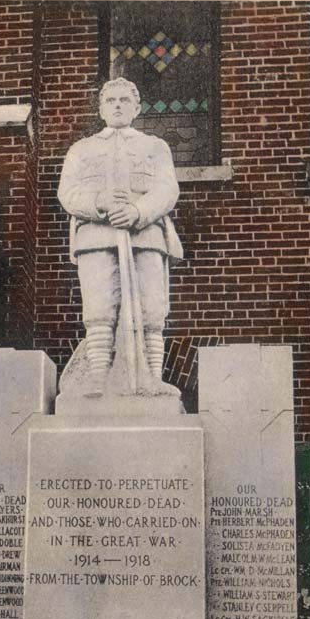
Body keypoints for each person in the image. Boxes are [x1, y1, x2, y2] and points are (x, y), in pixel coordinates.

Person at [58, 77, 183, 396]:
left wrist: (138, 211)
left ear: (137, 108)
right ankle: (99, 378)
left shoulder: (155, 147)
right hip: (95, 237)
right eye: (110, 101)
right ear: (100, 109)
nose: (117, 106)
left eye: (124, 100)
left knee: (152, 311)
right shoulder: (81, 150)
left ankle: (152, 377)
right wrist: (98, 203)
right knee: (99, 310)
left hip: (146, 236)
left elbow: (167, 189)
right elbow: (67, 192)